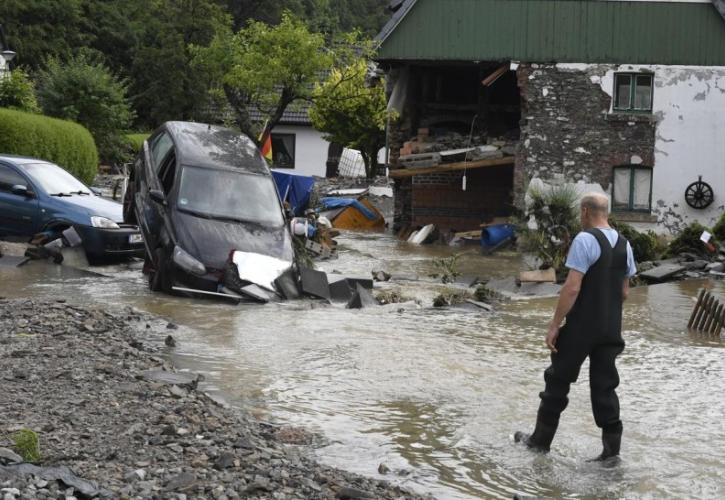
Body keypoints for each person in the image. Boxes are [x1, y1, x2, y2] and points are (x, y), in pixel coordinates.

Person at [514, 192, 636, 461]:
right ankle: (611, 455)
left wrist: (555, 324)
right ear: (607, 212)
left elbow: (571, 288)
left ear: (584, 212)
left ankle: (539, 442)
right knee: (605, 386)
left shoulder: (585, 239)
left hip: (582, 327)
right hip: (611, 329)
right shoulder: (625, 244)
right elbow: (625, 292)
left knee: (557, 380)